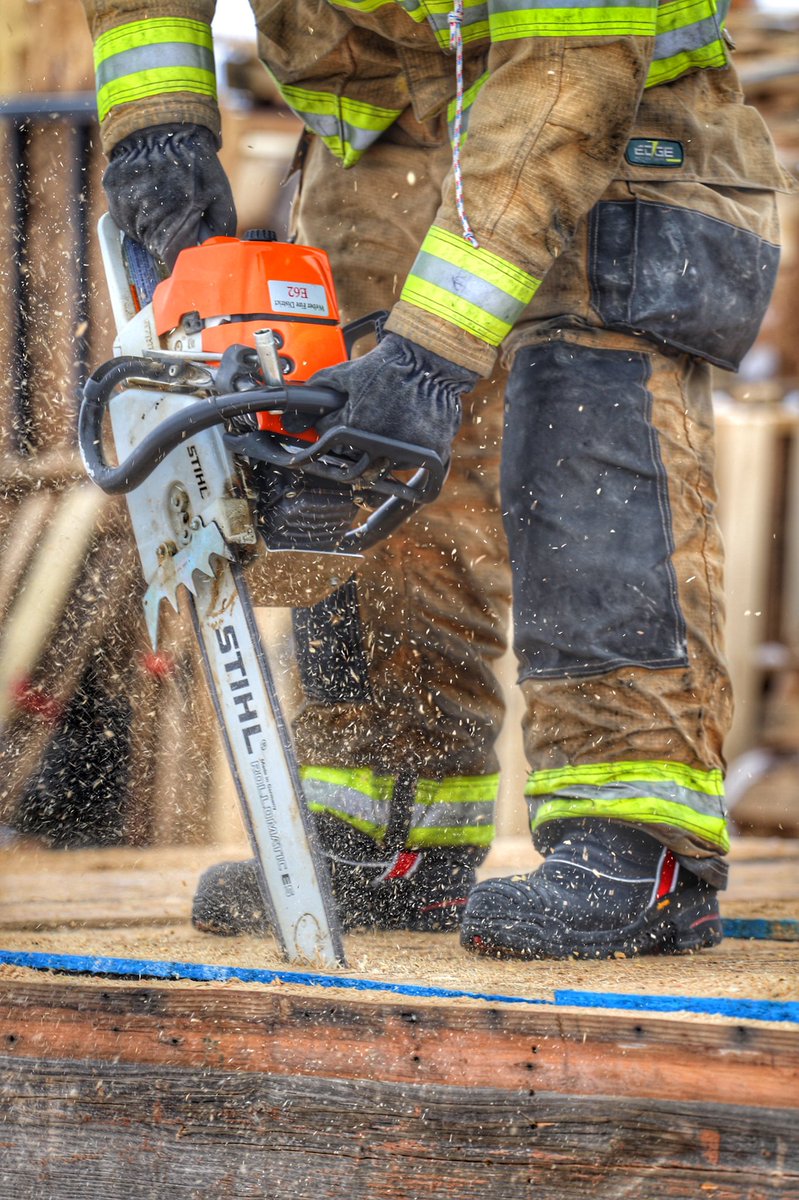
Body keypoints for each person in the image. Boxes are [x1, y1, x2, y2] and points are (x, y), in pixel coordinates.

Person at [81, 0, 791, 959]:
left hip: (608, 110)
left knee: (579, 431)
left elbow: (568, 78)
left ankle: (637, 843)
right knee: (359, 455)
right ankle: (389, 826)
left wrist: (431, 356)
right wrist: (152, 125)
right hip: (379, 129)